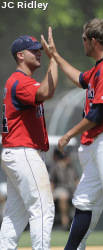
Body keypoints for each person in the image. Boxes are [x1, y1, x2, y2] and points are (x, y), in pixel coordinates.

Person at [42, 19, 103, 250]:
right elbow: (80, 79)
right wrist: (55, 56)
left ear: (94, 41)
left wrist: (68, 134)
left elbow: (97, 113)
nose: (83, 43)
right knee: (84, 202)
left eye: (84, 39)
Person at [0, 28, 58, 249]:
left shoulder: (19, 81)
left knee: (16, 216)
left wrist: (52, 59)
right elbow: (46, 92)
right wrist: (54, 59)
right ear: (20, 55)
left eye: (40, 50)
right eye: (33, 50)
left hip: (17, 152)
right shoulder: (20, 81)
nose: (39, 52)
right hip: (23, 151)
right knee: (43, 209)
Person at [50, 148, 78, 230]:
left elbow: (76, 180)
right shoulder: (56, 166)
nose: (69, 159)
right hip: (59, 189)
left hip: (71, 190)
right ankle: (65, 223)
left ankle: (76, 224)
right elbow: (52, 182)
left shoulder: (72, 167)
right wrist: (50, 194)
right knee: (63, 196)